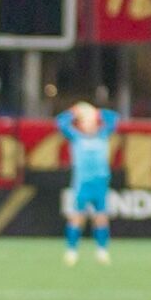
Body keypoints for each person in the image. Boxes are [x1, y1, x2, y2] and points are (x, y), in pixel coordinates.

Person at [56, 102, 119, 265]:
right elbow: (60, 122)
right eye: (86, 121)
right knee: (77, 217)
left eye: (92, 121)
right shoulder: (76, 137)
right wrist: (75, 111)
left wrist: (97, 112)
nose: (89, 124)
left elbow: (114, 119)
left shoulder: (103, 134)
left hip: (100, 183)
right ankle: (71, 250)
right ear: (81, 125)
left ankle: (102, 250)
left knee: (101, 218)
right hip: (83, 183)